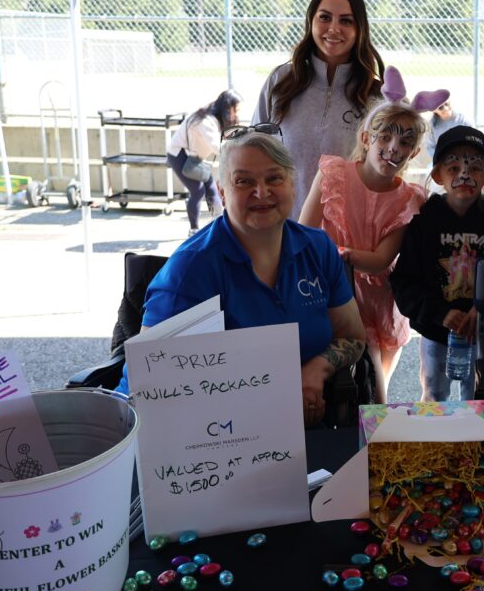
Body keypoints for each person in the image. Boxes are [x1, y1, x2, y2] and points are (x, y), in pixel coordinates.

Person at [121, 128, 366, 427]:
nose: (261, 192)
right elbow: (152, 383)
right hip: (209, 432)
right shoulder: (191, 269)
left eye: (274, 178)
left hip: (300, 421)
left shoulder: (318, 248)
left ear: (292, 185)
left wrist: (315, 371)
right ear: (222, 193)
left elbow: (352, 337)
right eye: (244, 181)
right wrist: (276, 401)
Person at [299, 67, 445, 403]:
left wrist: (345, 254)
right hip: (331, 288)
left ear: (413, 152)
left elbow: (381, 260)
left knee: (375, 382)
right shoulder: (333, 175)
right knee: (343, 380)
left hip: (377, 301)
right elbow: (305, 234)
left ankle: (377, 437)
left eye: (406, 141)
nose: (395, 147)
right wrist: (331, 260)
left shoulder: (409, 199)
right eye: (386, 136)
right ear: (366, 138)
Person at [390, 125, 484, 402]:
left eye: (475, 168)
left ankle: (475, 441)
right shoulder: (423, 222)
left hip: (481, 332)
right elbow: (404, 281)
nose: (464, 175)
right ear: (437, 176)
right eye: (453, 168)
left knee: (478, 395)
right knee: (434, 393)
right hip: (436, 330)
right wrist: (439, 313)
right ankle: (435, 441)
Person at [253, 0, 384, 220]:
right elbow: (252, 150)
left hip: (345, 235)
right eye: (325, 17)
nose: (334, 29)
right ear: (311, 21)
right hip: (281, 228)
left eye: (346, 21)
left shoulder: (374, 95)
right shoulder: (281, 81)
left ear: (360, 29)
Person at [167, 89, 241, 236]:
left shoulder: (214, 117)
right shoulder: (205, 121)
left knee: (210, 187)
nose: (237, 113)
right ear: (227, 108)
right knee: (198, 190)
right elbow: (217, 146)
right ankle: (195, 229)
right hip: (179, 155)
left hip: (192, 156)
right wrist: (238, 149)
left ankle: (219, 225)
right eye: (235, 109)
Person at [424, 95, 471, 163]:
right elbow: (430, 147)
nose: (446, 108)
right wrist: (441, 158)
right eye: (441, 107)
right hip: (443, 161)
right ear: (435, 110)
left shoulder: (464, 120)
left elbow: (473, 142)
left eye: (447, 104)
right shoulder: (432, 125)